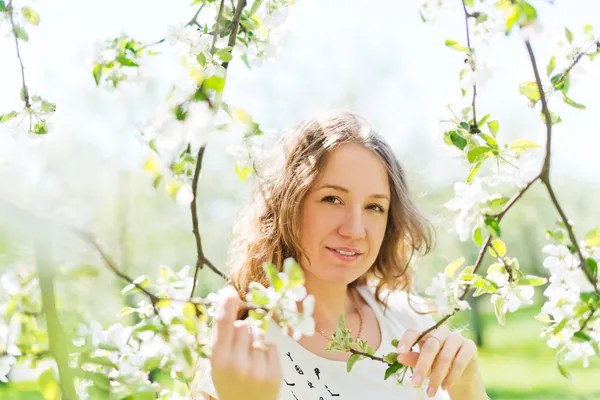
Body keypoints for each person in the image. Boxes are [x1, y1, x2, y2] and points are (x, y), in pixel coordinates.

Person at [192, 111, 489, 400]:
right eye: (332, 199)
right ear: (288, 206)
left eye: (374, 207)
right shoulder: (241, 354)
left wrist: (469, 391)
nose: (355, 230)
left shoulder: (410, 320)